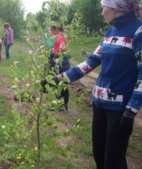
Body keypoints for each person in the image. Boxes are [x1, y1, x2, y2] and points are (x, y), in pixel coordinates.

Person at [41, 0, 142, 168]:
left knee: (114, 160)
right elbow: (90, 62)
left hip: (120, 110)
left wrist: (131, 109)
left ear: (116, 7)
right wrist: (57, 79)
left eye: (103, 7)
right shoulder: (109, 33)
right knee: (99, 155)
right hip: (99, 104)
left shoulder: (138, 31)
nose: (102, 12)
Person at [48, 25, 70, 111]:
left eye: (52, 31)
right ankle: (62, 104)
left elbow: (62, 47)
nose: (52, 33)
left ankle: (60, 105)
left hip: (60, 60)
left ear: (56, 29)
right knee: (62, 82)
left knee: (59, 82)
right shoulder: (64, 34)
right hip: (63, 60)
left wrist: (55, 55)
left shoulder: (60, 36)